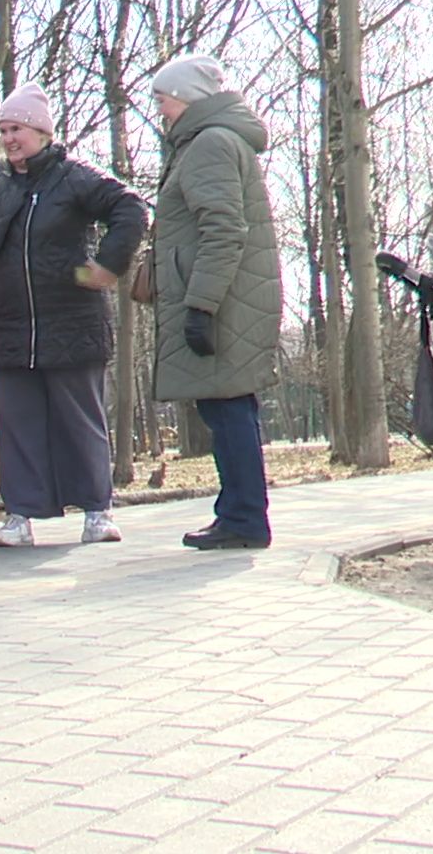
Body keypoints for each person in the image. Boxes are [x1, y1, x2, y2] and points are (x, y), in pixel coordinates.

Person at [0, 82, 148, 547]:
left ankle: (97, 512)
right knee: (18, 424)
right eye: (3, 129)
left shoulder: (74, 177)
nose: (8, 138)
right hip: (9, 326)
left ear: (41, 132)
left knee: (79, 418)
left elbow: (131, 208)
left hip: (72, 320)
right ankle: (20, 516)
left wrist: (107, 267)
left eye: (17, 128)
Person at [148, 54, 283, 550]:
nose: (159, 109)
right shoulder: (213, 142)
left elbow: (223, 230)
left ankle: (244, 518)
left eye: (162, 99)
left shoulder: (208, 144)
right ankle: (238, 514)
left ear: (186, 98)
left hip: (222, 300)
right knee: (228, 408)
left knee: (228, 411)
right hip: (229, 295)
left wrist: (200, 305)